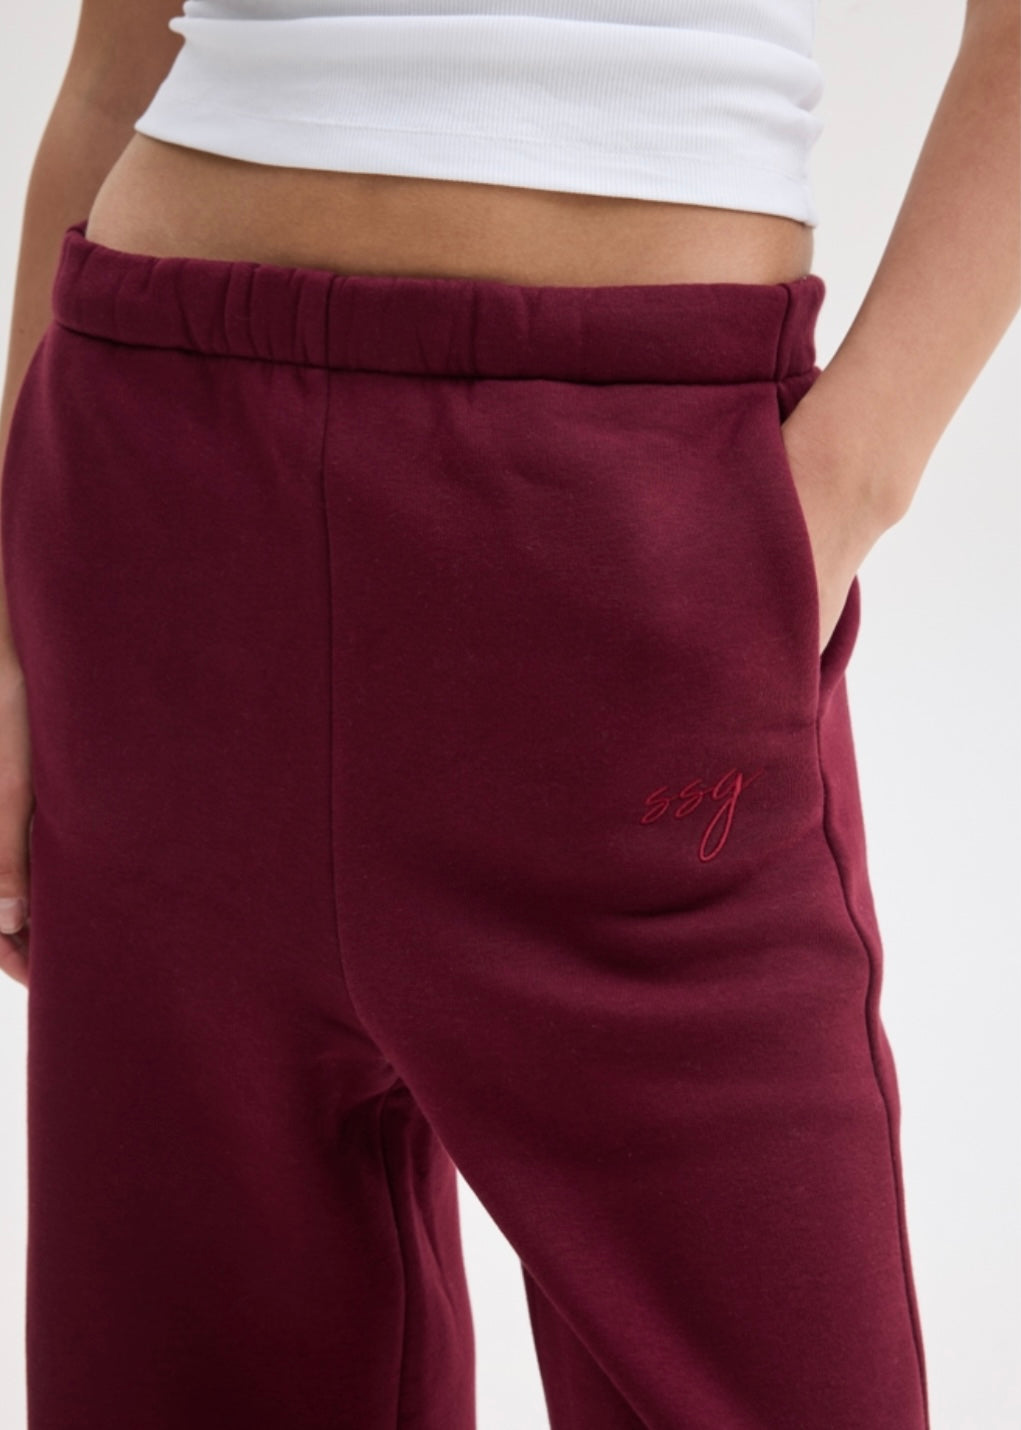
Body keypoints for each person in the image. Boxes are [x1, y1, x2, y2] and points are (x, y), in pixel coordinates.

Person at [0, 0, 1016, 1426]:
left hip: (627, 522)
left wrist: (835, 495)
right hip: (160, 511)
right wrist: (9, 630)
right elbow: (118, 56)